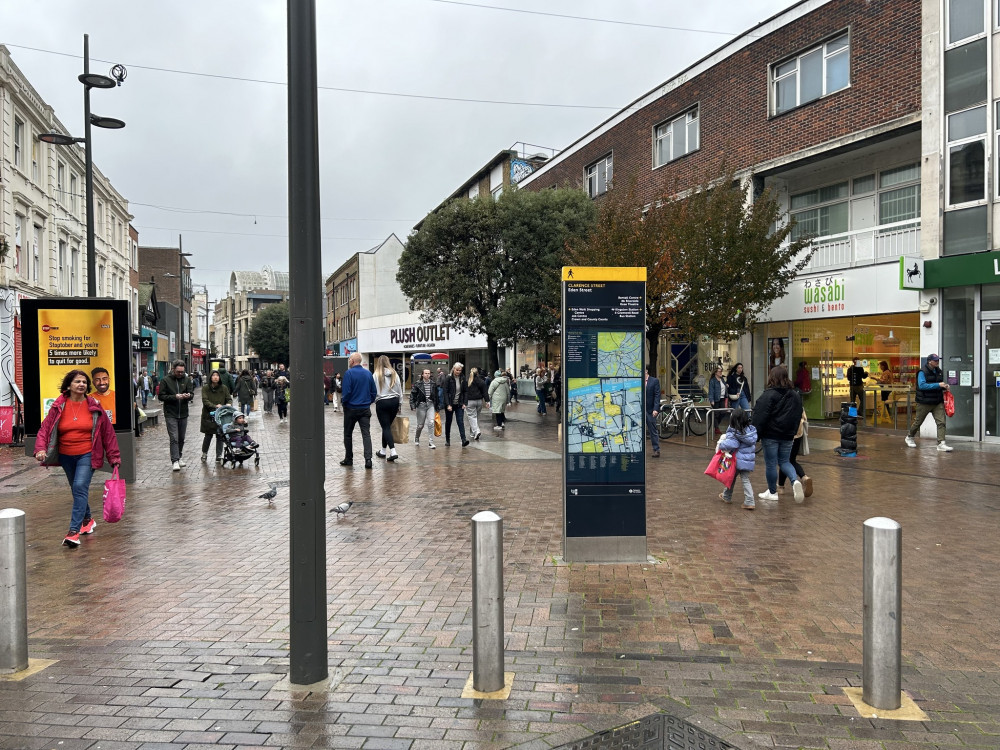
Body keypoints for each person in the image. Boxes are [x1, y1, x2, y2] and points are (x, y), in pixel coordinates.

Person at [34, 369, 121, 547]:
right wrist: (40, 449)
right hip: (66, 455)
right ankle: (87, 519)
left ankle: (73, 532)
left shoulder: (94, 406)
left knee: (80, 486)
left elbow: (108, 433)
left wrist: (114, 457)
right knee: (77, 489)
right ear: (69, 385)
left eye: (84, 382)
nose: (81, 384)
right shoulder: (59, 406)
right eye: (77, 382)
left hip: (88, 454)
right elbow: (45, 429)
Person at [752, 366, 805, 503]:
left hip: (771, 434)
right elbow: (798, 415)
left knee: (771, 463)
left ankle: (772, 492)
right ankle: (794, 481)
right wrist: (792, 431)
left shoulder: (768, 394)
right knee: (785, 461)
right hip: (788, 435)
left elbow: (760, 416)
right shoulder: (795, 395)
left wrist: (756, 434)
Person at [905, 353, 952, 451]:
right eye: (935, 360)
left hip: (937, 401)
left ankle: (941, 443)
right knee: (918, 422)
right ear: (929, 361)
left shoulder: (939, 371)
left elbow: (938, 385)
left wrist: (945, 387)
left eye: (938, 360)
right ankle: (909, 437)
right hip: (924, 402)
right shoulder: (922, 372)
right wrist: (938, 385)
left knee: (941, 422)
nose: (937, 362)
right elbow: (922, 386)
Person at [716, 407, 758, 510]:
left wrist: (721, 444)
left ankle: (747, 501)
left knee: (733, 478)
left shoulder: (735, 432)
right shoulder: (750, 431)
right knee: (743, 479)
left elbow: (732, 444)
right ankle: (730, 496)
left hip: (736, 460)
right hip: (747, 460)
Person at [340, 353, 377, 467]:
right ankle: (368, 459)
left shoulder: (349, 373)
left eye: (350, 359)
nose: (349, 361)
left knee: (348, 434)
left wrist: (344, 402)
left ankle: (349, 458)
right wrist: (368, 401)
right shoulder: (368, 373)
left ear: (352, 361)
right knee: (366, 434)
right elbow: (373, 392)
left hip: (351, 408)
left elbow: (346, 392)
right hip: (364, 408)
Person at [159, 359, 195, 471]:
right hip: (171, 413)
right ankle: (175, 460)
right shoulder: (165, 380)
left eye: (182, 372)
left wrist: (188, 395)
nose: (180, 374)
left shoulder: (187, 379)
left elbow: (192, 393)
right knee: (174, 437)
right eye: (178, 371)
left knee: (181, 438)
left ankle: (179, 456)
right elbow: (161, 396)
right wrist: (175, 397)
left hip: (183, 413)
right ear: (173, 369)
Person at [373, 355, 403, 461]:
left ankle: (393, 451)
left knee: (386, 427)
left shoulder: (376, 375)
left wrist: (373, 400)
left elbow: (373, 390)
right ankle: (383, 450)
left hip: (382, 402)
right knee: (387, 427)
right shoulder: (394, 374)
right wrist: (400, 403)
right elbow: (399, 389)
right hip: (394, 401)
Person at [778, 408, 812, 498]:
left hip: (786, 434)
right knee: (790, 460)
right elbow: (804, 418)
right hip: (798, 433)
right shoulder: (797, 400)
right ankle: (782, 485)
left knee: (784, 460)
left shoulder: (783, 400)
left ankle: (782, 486)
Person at [200, 370, 231, 462]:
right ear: (210, 377)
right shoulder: (205, 388)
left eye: (217, 375)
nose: (215, 377)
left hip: (220, 415)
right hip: (208, 415)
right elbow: (205, 400)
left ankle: (219, 455)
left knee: (220, 436)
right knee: (208, 436)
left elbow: (229, 398)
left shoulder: (224, 388)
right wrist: (215, 406)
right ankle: (204, 453)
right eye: (213, 375)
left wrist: (228, 404)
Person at [410, 367, 438, 448]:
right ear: (422, 374)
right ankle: (416, 438)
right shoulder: (418, 384)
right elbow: (413, 395)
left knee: (431, 422)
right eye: (426, 373)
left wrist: (438, 406)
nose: (427, 375)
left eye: (429, 373)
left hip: (430, 404)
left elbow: (436, 396)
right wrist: (413, 405)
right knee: (420, 425)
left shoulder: (433, 383)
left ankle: (431, 442)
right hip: (421, 405)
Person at [444, 362, 470, 447]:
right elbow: (445, 392)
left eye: (460, 370)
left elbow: (466, 391)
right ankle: (447, 439)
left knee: (460, 421)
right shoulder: (448, 378)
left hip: (459, 403)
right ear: (453, 369)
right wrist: (448, 404)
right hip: (450, 403)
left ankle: (463, 439)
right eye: (457, 370)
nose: (458, 371)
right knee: (449, 422)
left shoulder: (462, 378)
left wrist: (464, 403)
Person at [466, 367, 488, 441]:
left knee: (472, 417)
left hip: (470, 401)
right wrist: (487, 401)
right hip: (479, 401)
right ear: (477, 373)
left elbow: (464, 392)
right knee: (476, 417)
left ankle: (476, 431)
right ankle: (472, 433)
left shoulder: (468, 381)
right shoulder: (481, 381)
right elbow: (485, 392)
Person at [644, 365, 660, 458]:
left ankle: (656, 449)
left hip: (650, 410)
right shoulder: (638, 381)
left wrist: (655, 409)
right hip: (640, 410)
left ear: (646, 371)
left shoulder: (654, 381)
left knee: (652, 430)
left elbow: (657, 396)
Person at [707, 365, 728, 435]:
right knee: (716, 414)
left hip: (722, 398)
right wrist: (711, 400)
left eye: (721, 371)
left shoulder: (722, 379)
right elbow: (711, 391)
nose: (721, 372)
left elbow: (724, 387)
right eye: (719, 371)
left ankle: (715, 425)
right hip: (716, 399)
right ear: (716, 372)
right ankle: (716, 428)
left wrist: (726, 386)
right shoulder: (712, 380)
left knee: (723, 412)